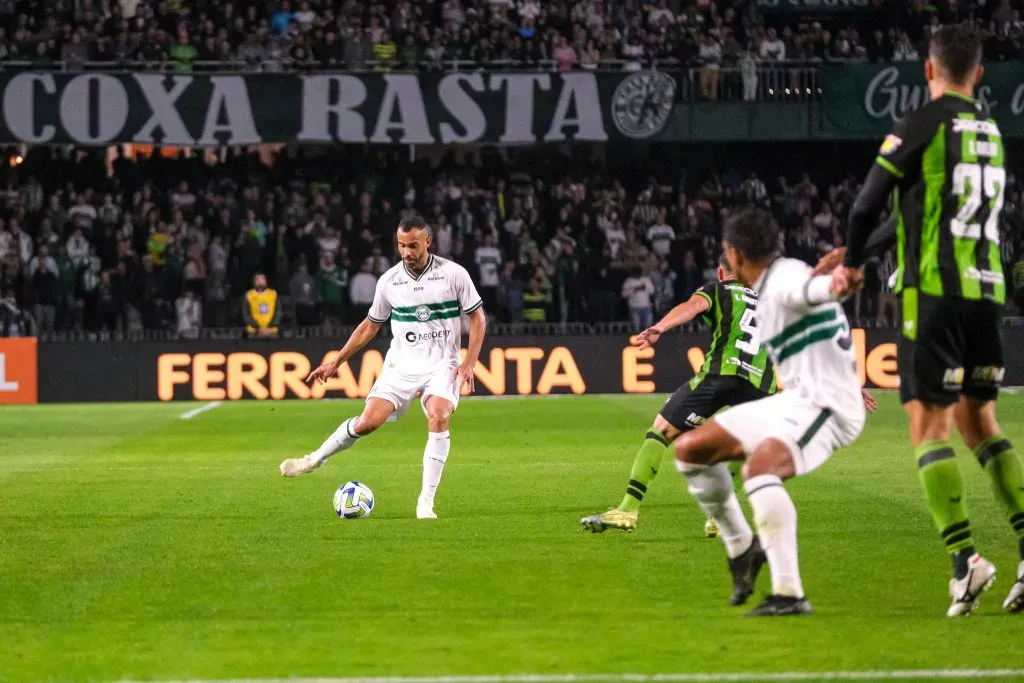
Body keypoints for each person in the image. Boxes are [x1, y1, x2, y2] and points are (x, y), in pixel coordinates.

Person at [834, 22, 1024, 616]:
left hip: (935, 294)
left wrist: (852, 266)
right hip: (988, 293)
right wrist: (855, 253)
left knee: (928, 425)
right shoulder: (991, 131)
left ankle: (965, 562)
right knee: (981, 422)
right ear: (981, 74)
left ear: (928, 69)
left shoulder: (921, 124)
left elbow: (867, 203)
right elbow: (918, 213)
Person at [671, 208, 876, 616]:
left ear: (733, 254)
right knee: (691, 450)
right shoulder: (781, 277)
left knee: (759, 470)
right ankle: (743, 548)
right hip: (797, 398)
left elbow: (813, 293)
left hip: (827, 406)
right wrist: (828, 278)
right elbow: (812, 297)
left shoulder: (784, 281)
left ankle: (788, 593)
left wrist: (836, 283)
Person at [279, 217, 487, 520]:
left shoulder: (454, 274)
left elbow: (478, 318)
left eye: (413, 245)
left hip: (443, 363)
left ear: (428, 242)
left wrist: (469, 362)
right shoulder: (390, 281)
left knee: (439, 416)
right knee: (367, 423)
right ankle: (313, 460)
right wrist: (336, 360)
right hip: (401, 364)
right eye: (402, 245)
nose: (406, 252)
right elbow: (369, 326)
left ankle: (425, 503)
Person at [581, 254, 778, 538]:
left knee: (660, 432)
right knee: (745, 446)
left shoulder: (717, 289)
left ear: (721, 273)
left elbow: (691, 307)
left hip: (721, 373)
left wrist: (660, 327)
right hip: (761, 385)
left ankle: (627, 509)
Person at [242, 271, 280, 338]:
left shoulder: (273, 294)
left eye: (262, 279)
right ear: (254, 282)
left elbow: (278, 312)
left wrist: (269, 327)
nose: (260, 281)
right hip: (253, 331)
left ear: (266, 281)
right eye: (257, 279)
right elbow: (246, 314)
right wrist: (258, 328)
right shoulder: (248, 295)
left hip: (271, 331)